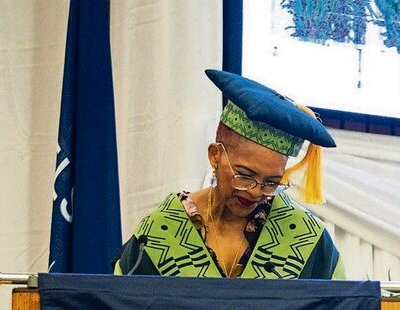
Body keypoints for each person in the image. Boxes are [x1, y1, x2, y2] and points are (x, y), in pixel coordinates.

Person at [114, 70, 343, 279]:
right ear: (215, 155)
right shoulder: (159, 232)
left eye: (272, 182)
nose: (255, 191)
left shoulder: (305, 236)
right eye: (244, 175)